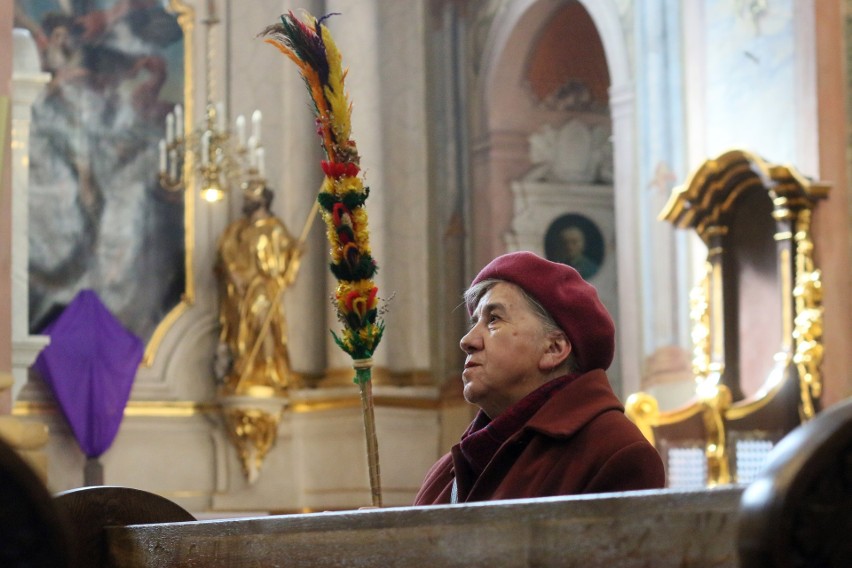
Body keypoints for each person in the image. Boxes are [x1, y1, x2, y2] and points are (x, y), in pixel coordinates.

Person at [414, 251, 665, 505]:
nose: (466, 341)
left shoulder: (614, 453)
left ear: (553, 349)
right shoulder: (444, 474)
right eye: (474, 323)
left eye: (493, 319)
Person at [214, 183, 302, 395]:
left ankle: (268, 370)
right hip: (240, 291)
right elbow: (225, 255)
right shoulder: (239, 229)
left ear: (262, 201)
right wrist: (233, 274)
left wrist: (295, 253)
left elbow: (287, 257)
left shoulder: (275, 227)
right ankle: (246, 368)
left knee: (263, 323)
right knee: (242, 330)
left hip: (263, 287)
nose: (245, 203)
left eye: (249, 199)